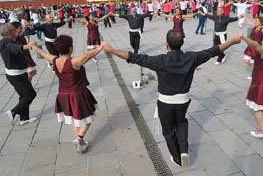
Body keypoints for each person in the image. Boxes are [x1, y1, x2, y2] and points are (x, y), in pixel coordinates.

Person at [102, 29, 241, 167]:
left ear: (166, 44)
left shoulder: (160, 60)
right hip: (183, 101)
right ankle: (184, 151)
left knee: (168, 131)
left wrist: (111, 50)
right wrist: (233, 41)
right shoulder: (192, 58)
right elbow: (213, 50)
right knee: (181, 122)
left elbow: (134, 57)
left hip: (165, 102)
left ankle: (177, 158)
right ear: (182, 43)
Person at [30, 35, 102, 154]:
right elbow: (88, 55)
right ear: (70, 48)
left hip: (63, 95)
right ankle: (79, 139)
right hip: (77, 95)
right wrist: (100, 47)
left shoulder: (54, 60)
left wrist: (34, 47)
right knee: (87, 120)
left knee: (75, 120)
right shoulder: (74, 62)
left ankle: (81, 144)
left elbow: (42, 53)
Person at [0, 24, 37, 126]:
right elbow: (14, 48)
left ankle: (24, 118)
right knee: (30, 94)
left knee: (23, 95)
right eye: (14, 30)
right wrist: (28, 46)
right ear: (8, 33)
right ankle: (13, 112)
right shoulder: (5, 43)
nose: (16, 31)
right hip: (16, 76)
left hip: (18, 74)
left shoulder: (8, 41)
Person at [241, 15, 263, 80]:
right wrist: (245, 16)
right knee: (246, 61)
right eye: (256, 21)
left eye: (257, 21)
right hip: (250, 46)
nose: (255, 22)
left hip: (257, 47)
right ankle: (258, 69)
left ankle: (253, 74)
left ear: (261, 22)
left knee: (253, 61)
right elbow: (249, 22)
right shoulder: (254, 27)